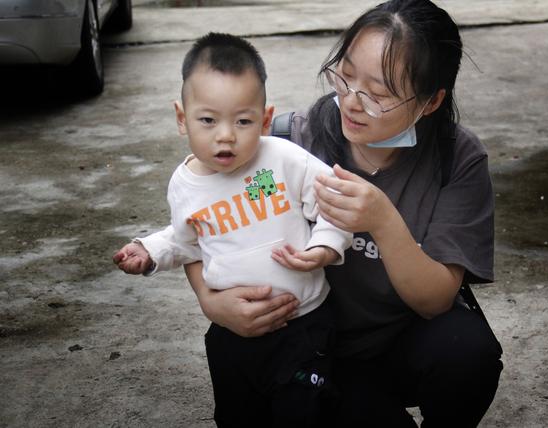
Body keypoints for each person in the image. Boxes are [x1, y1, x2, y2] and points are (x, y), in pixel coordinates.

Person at [131, 0, 504, 426]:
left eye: (378, 94)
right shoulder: (289, 143)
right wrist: (211, 302)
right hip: (312, 342)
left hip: (402, 340)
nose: (352, 102)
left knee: (466, 351)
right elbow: (200, 220)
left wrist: (382, 220)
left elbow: (437, 300)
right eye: (344, 77)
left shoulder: (457, 158)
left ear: (431, 101)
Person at [112, 32, 352, 428]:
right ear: (180, 118)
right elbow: (188, 240)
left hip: (305, 326)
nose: (226, 135)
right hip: (232, 333)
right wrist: (150, 250)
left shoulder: (283, 159)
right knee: (239, 415)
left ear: (265, 118)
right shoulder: (184, 185)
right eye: (207, 120)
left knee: (306, 414)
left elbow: (337, 204)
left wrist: (324, 247)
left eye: (243, 121)